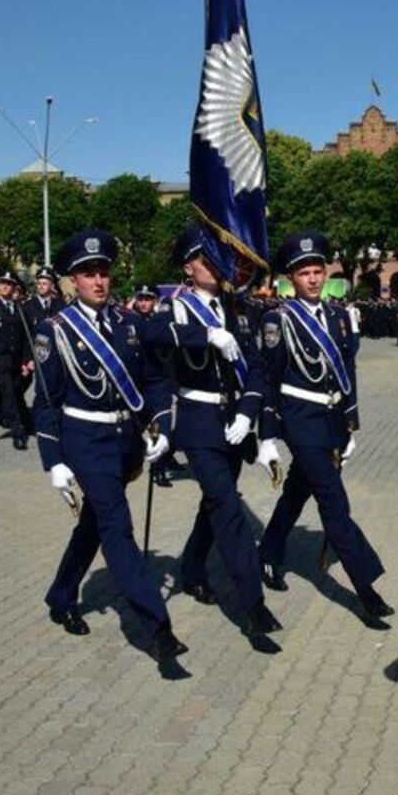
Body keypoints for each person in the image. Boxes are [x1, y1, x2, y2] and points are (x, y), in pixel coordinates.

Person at [31, 228, 185, 660]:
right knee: (118, 529)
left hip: (124, 441)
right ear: (72, 281)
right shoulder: (55, 331)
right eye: (87, 274)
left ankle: (61, 596)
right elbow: (45, 403)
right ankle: (157, 627)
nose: (98, 281)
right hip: (85, 441)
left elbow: (154, 381)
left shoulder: (129, 324)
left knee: (94, 524)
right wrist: (53, 461)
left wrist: (161, 424)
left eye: (103, 273)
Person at [145, 225, 282, 639]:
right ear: (189, 267)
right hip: (199, 424)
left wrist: (248, 412)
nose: (217, 265)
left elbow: (257, 369)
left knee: (212, 505)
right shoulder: (179, 308)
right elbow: (152, 333)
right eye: (207, 259)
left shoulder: (237, 310)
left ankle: (191, 568)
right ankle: (253, 604)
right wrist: (207, 335)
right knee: (228, 507)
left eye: (219, 258)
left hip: (233, 425)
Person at [255, 231, 393, 623]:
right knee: (335, 503)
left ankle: (268, 552)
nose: (313, 279)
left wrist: (351, 422)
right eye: (304, 273)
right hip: (300, 422)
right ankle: (366, 590)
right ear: (291, 279)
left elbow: (347, 371)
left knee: (297, 493)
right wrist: (267, 433)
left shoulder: (337, 316)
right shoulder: (277, 320)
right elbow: (267, 378)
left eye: (318, 271)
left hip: (331, 420)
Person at [0, 271, 30, 450]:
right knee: (9, 394)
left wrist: (25, 361)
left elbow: (25, 338)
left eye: (8, 284)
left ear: (14, 287)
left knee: (5, 394)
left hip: (15, 360)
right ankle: (18, 432)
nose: (4, 286)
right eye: (2, 283)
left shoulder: (20, 309)